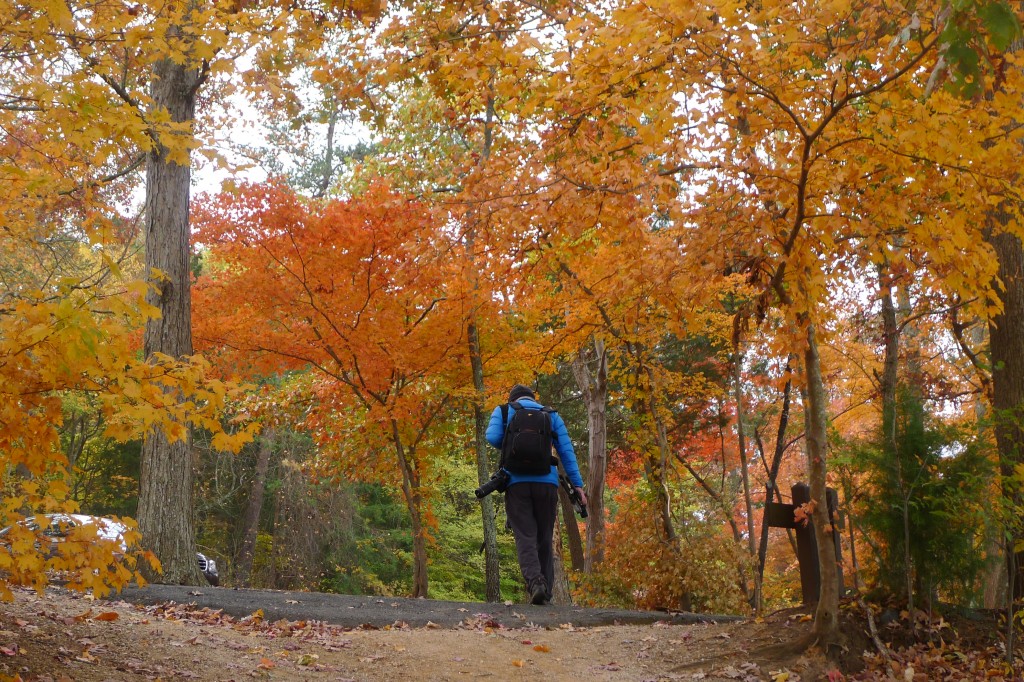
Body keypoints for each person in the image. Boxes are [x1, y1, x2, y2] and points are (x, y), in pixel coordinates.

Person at [486, 384, 587, 605]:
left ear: (513, 398)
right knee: (544, 537)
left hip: (516, 482)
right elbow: (566, 451)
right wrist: (577, 485)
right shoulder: (551, 415)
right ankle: (547, 593)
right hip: (547, 483)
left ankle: (535, 583)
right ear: (533, 398)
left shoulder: (503, 411)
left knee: (525, 535)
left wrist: (513, 444)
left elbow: (492, 437)